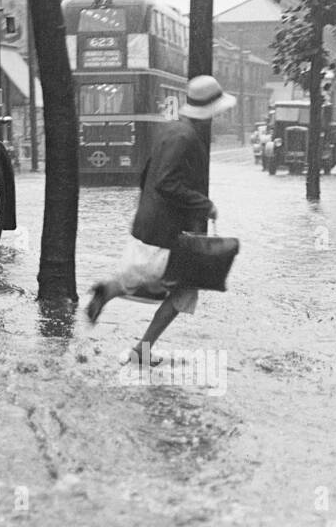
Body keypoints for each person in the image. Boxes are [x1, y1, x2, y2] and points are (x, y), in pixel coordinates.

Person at [85, 74, 236, 365]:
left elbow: (148, 177)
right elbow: (167, 183)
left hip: (151, 224)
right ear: (210, 114)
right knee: (184, 290)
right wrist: (205, 205)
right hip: (167, 230)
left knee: (152, 280)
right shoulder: (186, 138)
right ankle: (141, 349)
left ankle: (109, 292)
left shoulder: (170, 131)